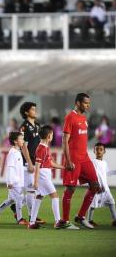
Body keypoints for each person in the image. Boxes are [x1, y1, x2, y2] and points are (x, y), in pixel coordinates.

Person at [58, 93, 100, 229]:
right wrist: (68, 160)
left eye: (89, 103)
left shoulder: (83, 117)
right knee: (70, 188)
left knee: (95, 185)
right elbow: (65, 140)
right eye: (86, 103)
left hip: (85, 157)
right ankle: (64, 221)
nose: (88, 105)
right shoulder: (70, 117)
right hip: (74, 158)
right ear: (78, 103)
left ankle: (80, 216)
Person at [28, 125, 65, 229]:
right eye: (52, 134)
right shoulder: (41, 148)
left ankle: (31, 222)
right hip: (43, 175)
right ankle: (57, 221)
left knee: (39, 196)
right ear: (49, 136)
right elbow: (37, 166)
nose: (52, 136)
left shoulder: (45, 147)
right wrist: (35, 181)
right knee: (55, 195)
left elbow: (51, 163)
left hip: (44, 174)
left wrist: (64, 167)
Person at [0, 132, 28, 225]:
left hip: (18, 180)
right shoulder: (12, 153)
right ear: (15, 141)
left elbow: (18, 167)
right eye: (21, 139)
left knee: (11, 200)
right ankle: (20, 219)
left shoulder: (17, 151)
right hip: (14, 181)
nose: (23, 141)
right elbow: (10, 167)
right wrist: (10, 181)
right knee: (20, 198)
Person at [87, 143, 116, 227]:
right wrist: (94, 184)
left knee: (111, 202)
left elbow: (107, 173)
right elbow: (91, 174)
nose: (99, 151)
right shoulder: (93, 162)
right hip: (97, 187)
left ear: (104, 151)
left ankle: (115, 220)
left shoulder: (104, 163)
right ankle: (90, 220)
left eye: (101, 149)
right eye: (97, 149)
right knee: (93, 204)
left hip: (105, 188)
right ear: (94, 151)